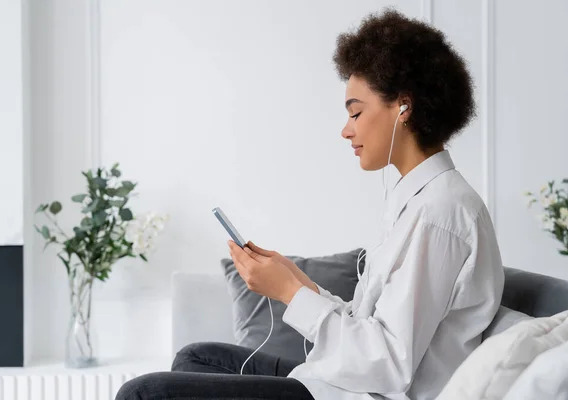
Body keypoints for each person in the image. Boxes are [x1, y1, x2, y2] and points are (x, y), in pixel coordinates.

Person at [116, 8, 504, 400]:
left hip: (361, 394)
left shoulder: (441, 215)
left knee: (143, 393)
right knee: (196, 358)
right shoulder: (416, 202)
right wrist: (296, 280)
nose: (346, 129)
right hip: (339, 379)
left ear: (403, 107)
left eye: (355, 111)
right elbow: (367, 325)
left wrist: (289, 293)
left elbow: (388, 364)